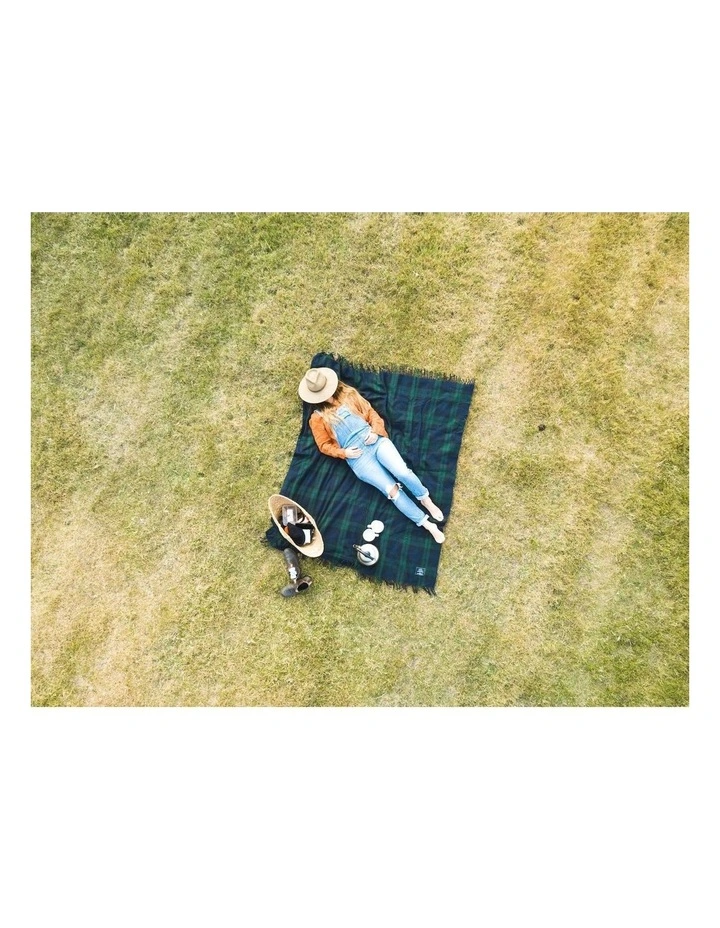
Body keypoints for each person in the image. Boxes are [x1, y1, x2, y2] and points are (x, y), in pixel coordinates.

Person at [298, 367, 446, 543]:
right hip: (358, 458)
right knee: (392, 492)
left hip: (374, 440)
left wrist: (376, 432)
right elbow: (323, 445)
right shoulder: (317, 418)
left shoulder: (349, 394)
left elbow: (371, 414)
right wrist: (343, 453)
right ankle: (427, 524)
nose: (326, 397)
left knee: (403, 472)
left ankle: (425, 500)